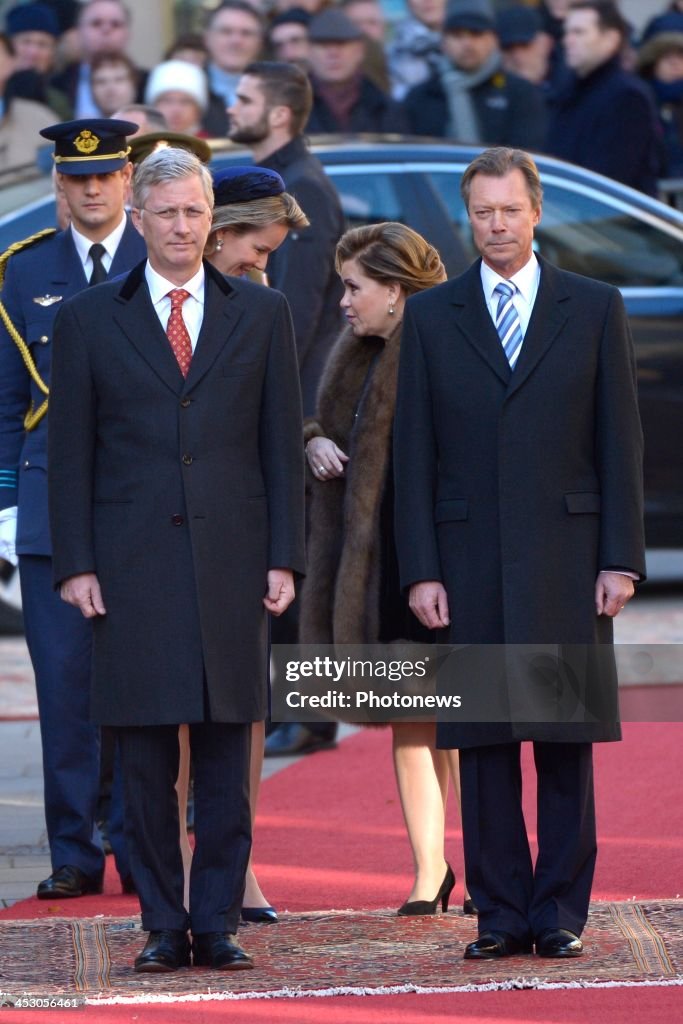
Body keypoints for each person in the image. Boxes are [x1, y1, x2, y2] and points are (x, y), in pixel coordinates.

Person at [47, 146, 305, 973]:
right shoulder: (89, 317)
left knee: (229, 755)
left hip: (234, 564)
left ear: (210, 217)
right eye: (166, 214)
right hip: (129, 569)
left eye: (195, 213)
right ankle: (163, 921)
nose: (182, 227)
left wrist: (284, 557)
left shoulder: (262, 315)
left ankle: (217, 918)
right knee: (146, 760)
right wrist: (76, 563)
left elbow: (278, 445)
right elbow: (72, 452)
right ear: (139, 219)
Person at [393, 146, 645, 960]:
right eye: (481, 213)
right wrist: (420, 568)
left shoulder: (593, 304)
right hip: (466, 562)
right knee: (484, 738)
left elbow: (619, 442)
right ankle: (499, 913)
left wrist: (620, 558)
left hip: (569, 558)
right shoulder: (433, 316)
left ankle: (561, 910)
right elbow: (412, 452)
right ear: (466, 218)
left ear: (536, 211)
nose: (496, 225)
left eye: (509, 210)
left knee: (564, 740)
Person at [299, 222, 474, 916]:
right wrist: (313, 441)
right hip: (375, 566)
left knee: (446, 722)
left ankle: (451, 863)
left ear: (396, 292)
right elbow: (321, 422)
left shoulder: (440, 348)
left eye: (354, 287)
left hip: (428, 560)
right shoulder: (357, 350)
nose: (344, 301)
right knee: (413, 721)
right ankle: (430, 869)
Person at [0, 118, 146, 899]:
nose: (92, 189)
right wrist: (3, 506)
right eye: (78, 179)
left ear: (127, 181)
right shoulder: (22, 272)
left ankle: (138, 838)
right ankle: (73, 851)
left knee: (139, 682)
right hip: (52, 501)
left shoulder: (158, 258)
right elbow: (4, 399)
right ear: (60, 185)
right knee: (63, 686)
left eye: (106, 176)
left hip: (140, 503)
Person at [227, 61, 344, 757]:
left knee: (293, 564)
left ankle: (304, 715)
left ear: (276, 114)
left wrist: (287, 421)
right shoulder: (281, 184)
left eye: (242, 98)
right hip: (284, 403)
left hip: (296, 404)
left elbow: (291, 316)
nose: (230, 105)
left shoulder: (302, 192)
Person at [546, 1, 663, 196]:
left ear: (610, 39)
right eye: (567, 32)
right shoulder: (568, 93)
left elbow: (609, 179)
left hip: (608, 222)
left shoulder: (627, 97)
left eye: (579, 32)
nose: (567, 40)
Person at [403, 0, 547, 149]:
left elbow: (527, 158)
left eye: (476, 33)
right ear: (443, 42)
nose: (467, 43)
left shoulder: (520, 94)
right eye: (457, 35)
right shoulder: (421, 98)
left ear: (493, 39)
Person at [305, 8, 407, 133]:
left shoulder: (387, 109)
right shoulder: (291, 109)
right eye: (323, 45)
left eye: (341, 44)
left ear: (360, 50)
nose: (333, 54)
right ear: (308, 51)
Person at [51, 0, 146, 118]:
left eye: (115, 24)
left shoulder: (148, 83)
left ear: (128, 33)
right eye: (96, 23)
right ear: (79, 31)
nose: (106, 30)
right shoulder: (56, 85)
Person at [203, 0, 265, 135]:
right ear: (207, 38)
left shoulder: (276, 92)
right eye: (226, 32)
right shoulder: (188, 93)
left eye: (246, 33)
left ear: (260, 42)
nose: (236, 41)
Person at [144, 60, 210, 137]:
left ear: (198, 110)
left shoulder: (213, 145)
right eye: (167, 101)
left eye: (185, 102)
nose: (176, 109)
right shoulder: (137, 145)